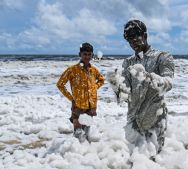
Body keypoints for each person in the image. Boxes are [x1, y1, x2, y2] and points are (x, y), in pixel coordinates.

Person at [108, 20, 174, 156]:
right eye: (129, 39)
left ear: (144, 36)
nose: (132, 42)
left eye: (135, 36)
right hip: (133, 121)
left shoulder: (162, 57)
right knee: (135, 161)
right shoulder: (128, 62)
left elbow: (168, 83)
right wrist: (116, 84)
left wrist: (148, 78)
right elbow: (125, 95)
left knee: (155, 159)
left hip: (154, 119)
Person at [56, 42, 105, 141]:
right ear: (80, 54)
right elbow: (60, 84)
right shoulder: (72, 70)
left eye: (89, 54)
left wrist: (94, 87)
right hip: (77, 105)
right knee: (78, 134)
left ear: (92, 55)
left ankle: (86, 153)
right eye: (84, 54)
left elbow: (101, 80)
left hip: (91, 105)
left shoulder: (94, 70)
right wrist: (71, 98)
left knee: (86, 133)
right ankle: (74, 153)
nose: (87, 57)